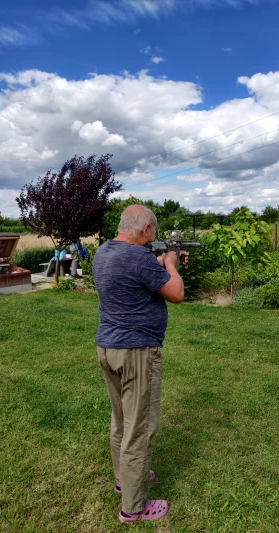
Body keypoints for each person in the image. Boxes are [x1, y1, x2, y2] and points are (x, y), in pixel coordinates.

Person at [93, 204, 186, 524]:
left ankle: (125, 478)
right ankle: (134, 507)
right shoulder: (139, 258)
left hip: (108, 348)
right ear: (146, 229)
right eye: (154, 232)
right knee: (140, 428)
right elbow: (175, 293)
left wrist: (161, 262)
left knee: (121, 421)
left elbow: (135, 273)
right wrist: (171, 265)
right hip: (136, 353)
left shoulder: (106, 252)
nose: (154, 238)